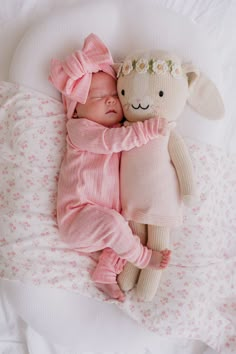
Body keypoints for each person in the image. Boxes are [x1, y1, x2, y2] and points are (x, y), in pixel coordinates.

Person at [49, 33, 171, 302]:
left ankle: (105, 272)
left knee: (123, 222)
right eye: (97, 96)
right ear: (76, 111)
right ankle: (142, 257)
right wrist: (147, 129)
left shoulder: (118, 127)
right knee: (114, 224)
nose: (109, 100)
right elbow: (110, 143)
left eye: (113, 94)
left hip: (103, 218)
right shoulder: (80, 130)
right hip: (77, 218)